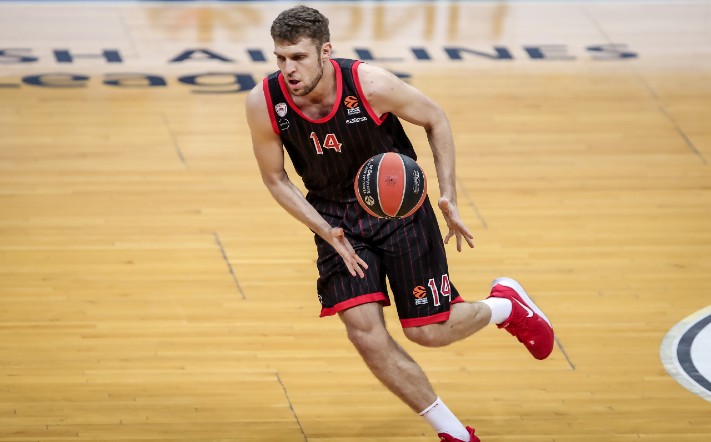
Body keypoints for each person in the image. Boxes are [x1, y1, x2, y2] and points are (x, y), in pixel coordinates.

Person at [246, 6, 554, 442]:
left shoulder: (370, 85)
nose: (288, 69)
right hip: (335, 221)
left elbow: (436, 118)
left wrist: (448, 194)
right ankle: (454, 433)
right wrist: (323, 230)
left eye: (298, 57)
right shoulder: (264, 102)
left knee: (427, 332)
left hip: (398, 212)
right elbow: (275, 178)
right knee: (365, 335)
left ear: (325, 52)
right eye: (280, 58)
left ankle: (506, 306)